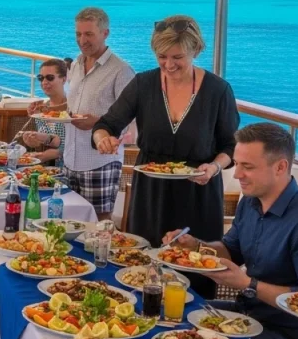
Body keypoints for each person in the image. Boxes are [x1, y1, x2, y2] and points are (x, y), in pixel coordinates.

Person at [162, 123, 298, 339]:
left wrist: (247, 285)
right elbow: (230, 250)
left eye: (247, 167)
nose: (236, 175)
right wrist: (196, 246)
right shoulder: (250, 202)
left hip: (295, 338)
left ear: (281, 167)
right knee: (168, 317)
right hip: (249, 313)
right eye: (237, 164)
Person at [93, 15, 239, 298]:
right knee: (141, 272)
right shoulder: (143, 84)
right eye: (162, 56)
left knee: (194, 275)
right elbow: (107, 124)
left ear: (196, 50)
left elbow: (231, 146)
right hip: (151, 195)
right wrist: (103, 139)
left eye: (178, 57)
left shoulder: (218, 90)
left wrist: (213, 166)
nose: (169, 64)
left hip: (199, 195)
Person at [62, 7, 137, 219]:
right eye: (78, 34)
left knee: (98, 224)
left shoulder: (121, 71)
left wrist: (99, 123)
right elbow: (72, 106)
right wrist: (49, 110)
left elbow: (131, 118)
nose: (82, 40)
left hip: (100, 161)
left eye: (88, 34)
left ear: (105, 33)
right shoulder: (76, 64)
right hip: (70, 159)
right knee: (68, 222)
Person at [22, 58, 71, 166]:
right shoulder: (41, 109)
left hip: (71, 168)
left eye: (50, 78)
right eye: (41, 78)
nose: (44, 82)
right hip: (49, 170)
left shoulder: (72, 107)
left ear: (63, 79)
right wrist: (33, 142)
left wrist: (49, 155)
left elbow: (76, 145)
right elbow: (50, 141)